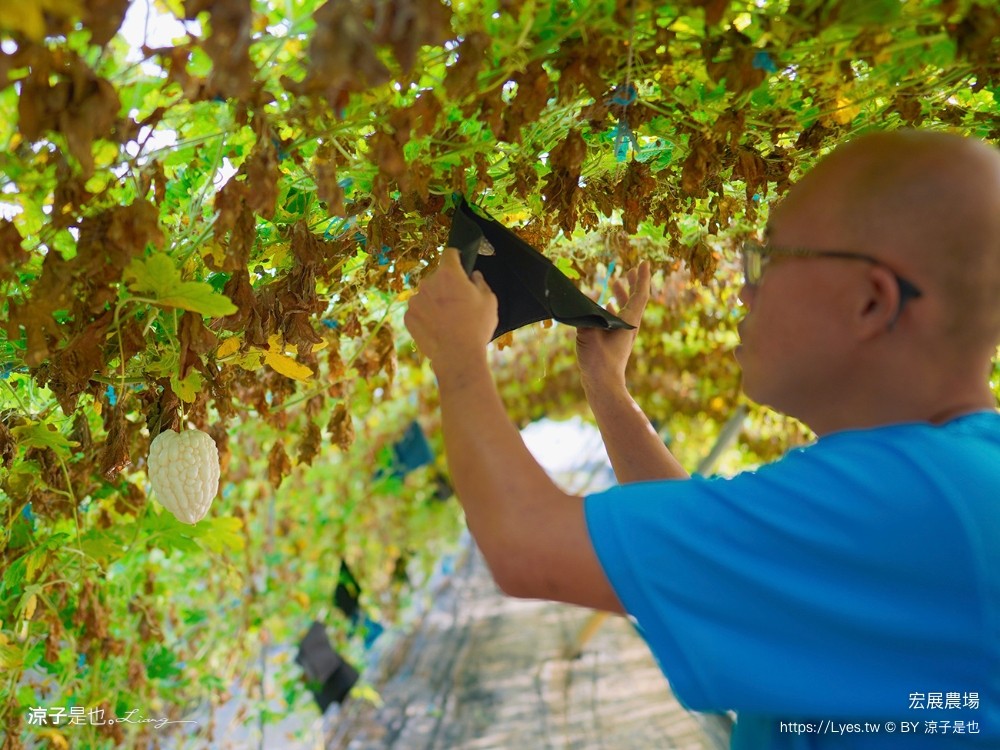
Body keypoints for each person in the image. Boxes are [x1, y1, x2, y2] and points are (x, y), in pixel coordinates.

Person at [403, 130, 1000, 748]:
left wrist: (459, 357)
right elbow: (690, 537)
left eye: (768, 258)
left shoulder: (917, 501)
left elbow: (525, 546)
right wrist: (606, 384)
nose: (745, 287)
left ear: (871, 303)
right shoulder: (948, 487)